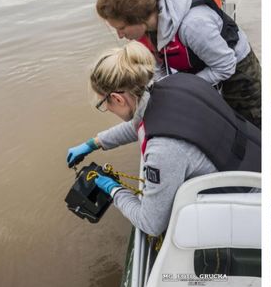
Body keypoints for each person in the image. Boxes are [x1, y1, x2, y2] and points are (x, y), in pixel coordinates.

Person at [66, 41, 260, 236]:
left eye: (103, 103)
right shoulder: (176, 83)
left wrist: (113, 190)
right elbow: (143, 125)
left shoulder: (163, 150)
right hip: (257, 163)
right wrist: (94, 143)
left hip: (250, 207)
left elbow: (151, 224)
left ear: (117, 99)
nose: (106, 108)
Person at [95, 0, 261, 128]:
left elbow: (226, 66)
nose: (120, 35)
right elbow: (161, 66)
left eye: (121, 28)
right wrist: (160, 90)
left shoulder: (193, 25)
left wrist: (181, 89)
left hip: (237, 69)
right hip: (200, 64)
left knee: (250, 125)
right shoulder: (147, 29)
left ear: (137, 18)